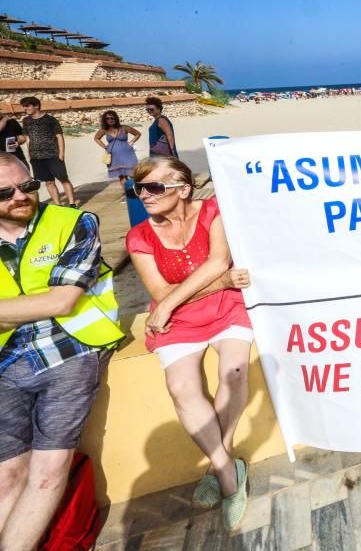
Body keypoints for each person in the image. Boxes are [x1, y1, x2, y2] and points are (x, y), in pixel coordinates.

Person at [0, 153, 122, 550]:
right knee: (7, 476)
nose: (20, 196)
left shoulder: (73, 222)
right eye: (5, 192)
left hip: (69, 350)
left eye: (28, 186)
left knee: (49, 471)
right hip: (6, 362)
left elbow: (61, 302)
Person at [126, 156, 252, 530]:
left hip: (225, 308)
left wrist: (219, 285)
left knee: (234, 370)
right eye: (139, 188)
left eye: (153, 187)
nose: (144, 196)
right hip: (179, 317)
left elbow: (218, 262)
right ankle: (227, 468)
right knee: (181, 388)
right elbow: (161, 290)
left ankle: (223, 472)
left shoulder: (214, 211)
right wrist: (219, 282)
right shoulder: (140, 237)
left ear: (183, 189)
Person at [20, 97, 77, 208]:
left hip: (53, 155)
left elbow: (59, 136)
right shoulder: (26, 121)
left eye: (27, 106)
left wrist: (61, 154)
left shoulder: (50, 119)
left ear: (36, 106)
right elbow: (27, 138)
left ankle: (72, 204)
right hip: (36, 157)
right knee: (48, 182)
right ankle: (58, 205)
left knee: (63, 179)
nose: (25, 108)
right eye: (24, 106)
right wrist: (30, 155)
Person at [93, 111, 141, 193]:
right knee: (122, 176)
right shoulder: (104, 130)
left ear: (116, 118)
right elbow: (96, 138)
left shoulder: (124, 127)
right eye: (107, 118)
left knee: (133, 174)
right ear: (105, 120)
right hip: (114, 156)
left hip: (128, 154)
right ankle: (128, 195)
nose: (110, 120)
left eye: (112, 118)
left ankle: (139, 192)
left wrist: (132, 142)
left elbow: (138, 134)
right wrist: (104, 146)